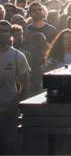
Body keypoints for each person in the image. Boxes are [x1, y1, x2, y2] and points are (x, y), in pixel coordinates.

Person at [0, 20, 30, 155]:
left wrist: (18, 102)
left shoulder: (17, 56)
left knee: (10, 143)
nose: (2, 34)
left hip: (9, 109)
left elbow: (26, 82)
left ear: (11, 34)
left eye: (5, 31)